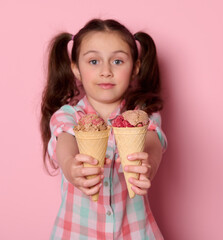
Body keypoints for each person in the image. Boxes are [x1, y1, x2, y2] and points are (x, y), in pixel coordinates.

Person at [40, 18, 167, 239]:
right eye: (93, 61)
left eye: (117, 61)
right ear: (76, 69)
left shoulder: (142, 114)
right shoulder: (68, 116)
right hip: (77, 233)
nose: (106, 71)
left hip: (135, 232)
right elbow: (65, 143)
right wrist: (73, 168)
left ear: (135, 68)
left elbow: (152, 140)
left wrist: (150, 166)